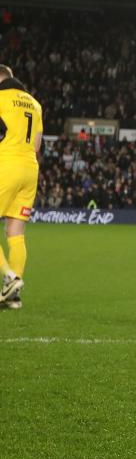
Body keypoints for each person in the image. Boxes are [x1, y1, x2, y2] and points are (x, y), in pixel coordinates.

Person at [0, 64, 41, 309]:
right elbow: (37, 145)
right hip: (30, 169)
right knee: (15, 234)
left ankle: (9, 277)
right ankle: (12, 296)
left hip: (6, 165)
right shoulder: (35, 104)